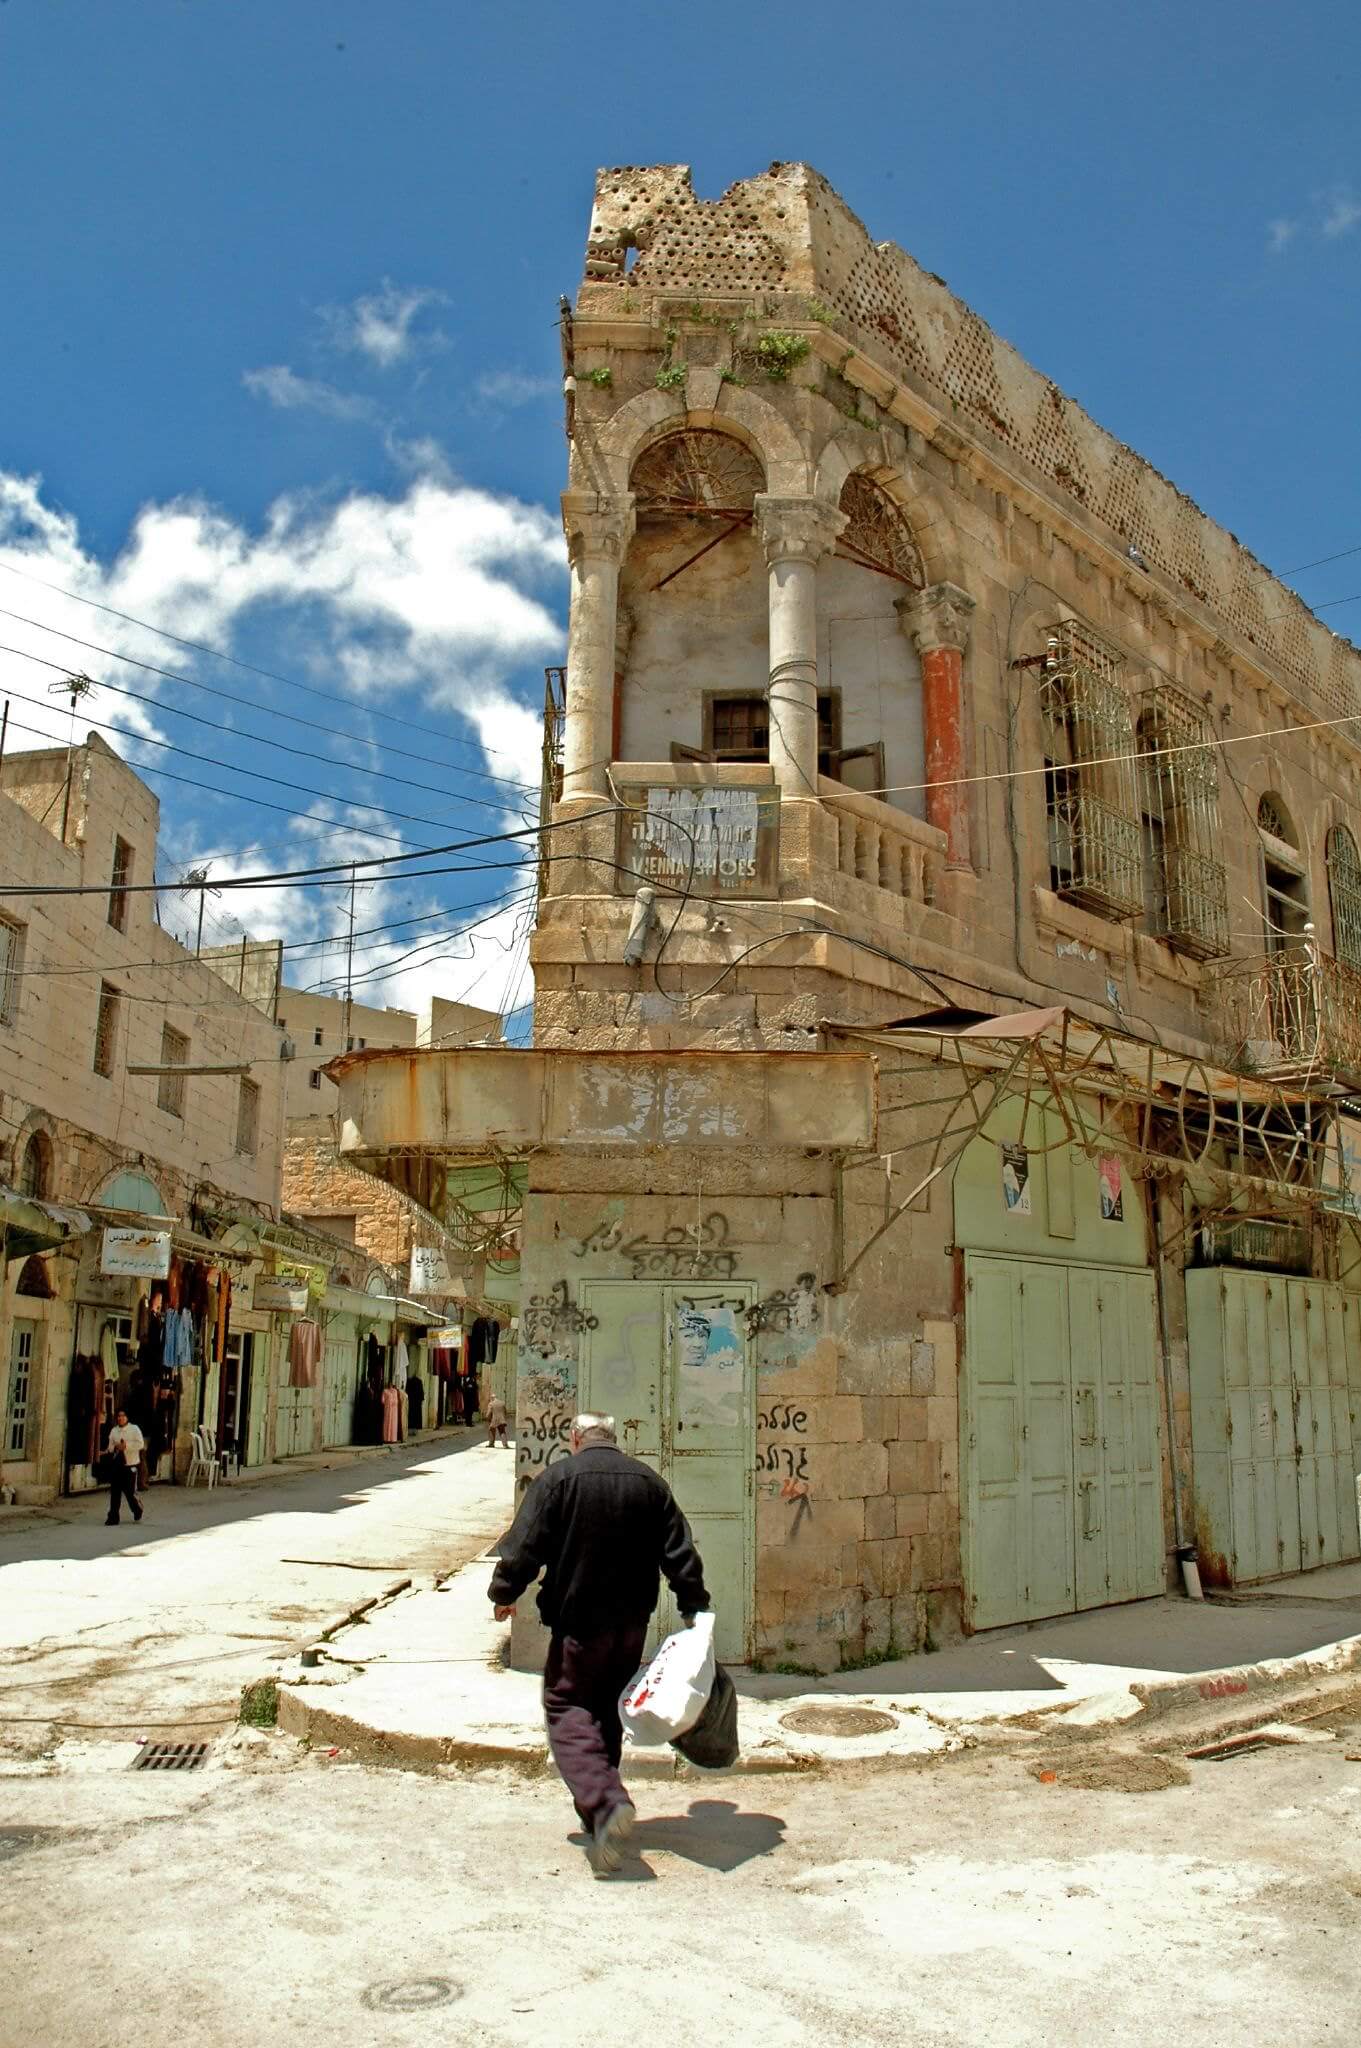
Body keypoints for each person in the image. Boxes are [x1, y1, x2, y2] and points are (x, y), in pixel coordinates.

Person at [488, 1411, 709, 1876]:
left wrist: (504, 1594)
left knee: (567, 1707)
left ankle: (606, 1802)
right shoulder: (650, 1483)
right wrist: (693, 1603)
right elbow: (680, 1551)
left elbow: (524, 1545)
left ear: (575, 1438)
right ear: (615, 1437)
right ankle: (598, 1814)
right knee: (606, 1709)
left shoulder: (558, 1480)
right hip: (630, 1625)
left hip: (578, 1622)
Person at [105, 1408, 145, 1526]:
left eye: (123, 1416)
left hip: (130, 1464)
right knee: (115, 1491)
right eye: (118, 1416)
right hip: (117, 1465)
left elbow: (140, 1444)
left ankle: (137, 1509)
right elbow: (110, 1446)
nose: (120, 1418)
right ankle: (113, 1517)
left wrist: (126, 1446)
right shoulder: (114, 1431)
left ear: (127, 1417)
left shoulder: (134, 1429)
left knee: (129, 1492)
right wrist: (115, 1447)